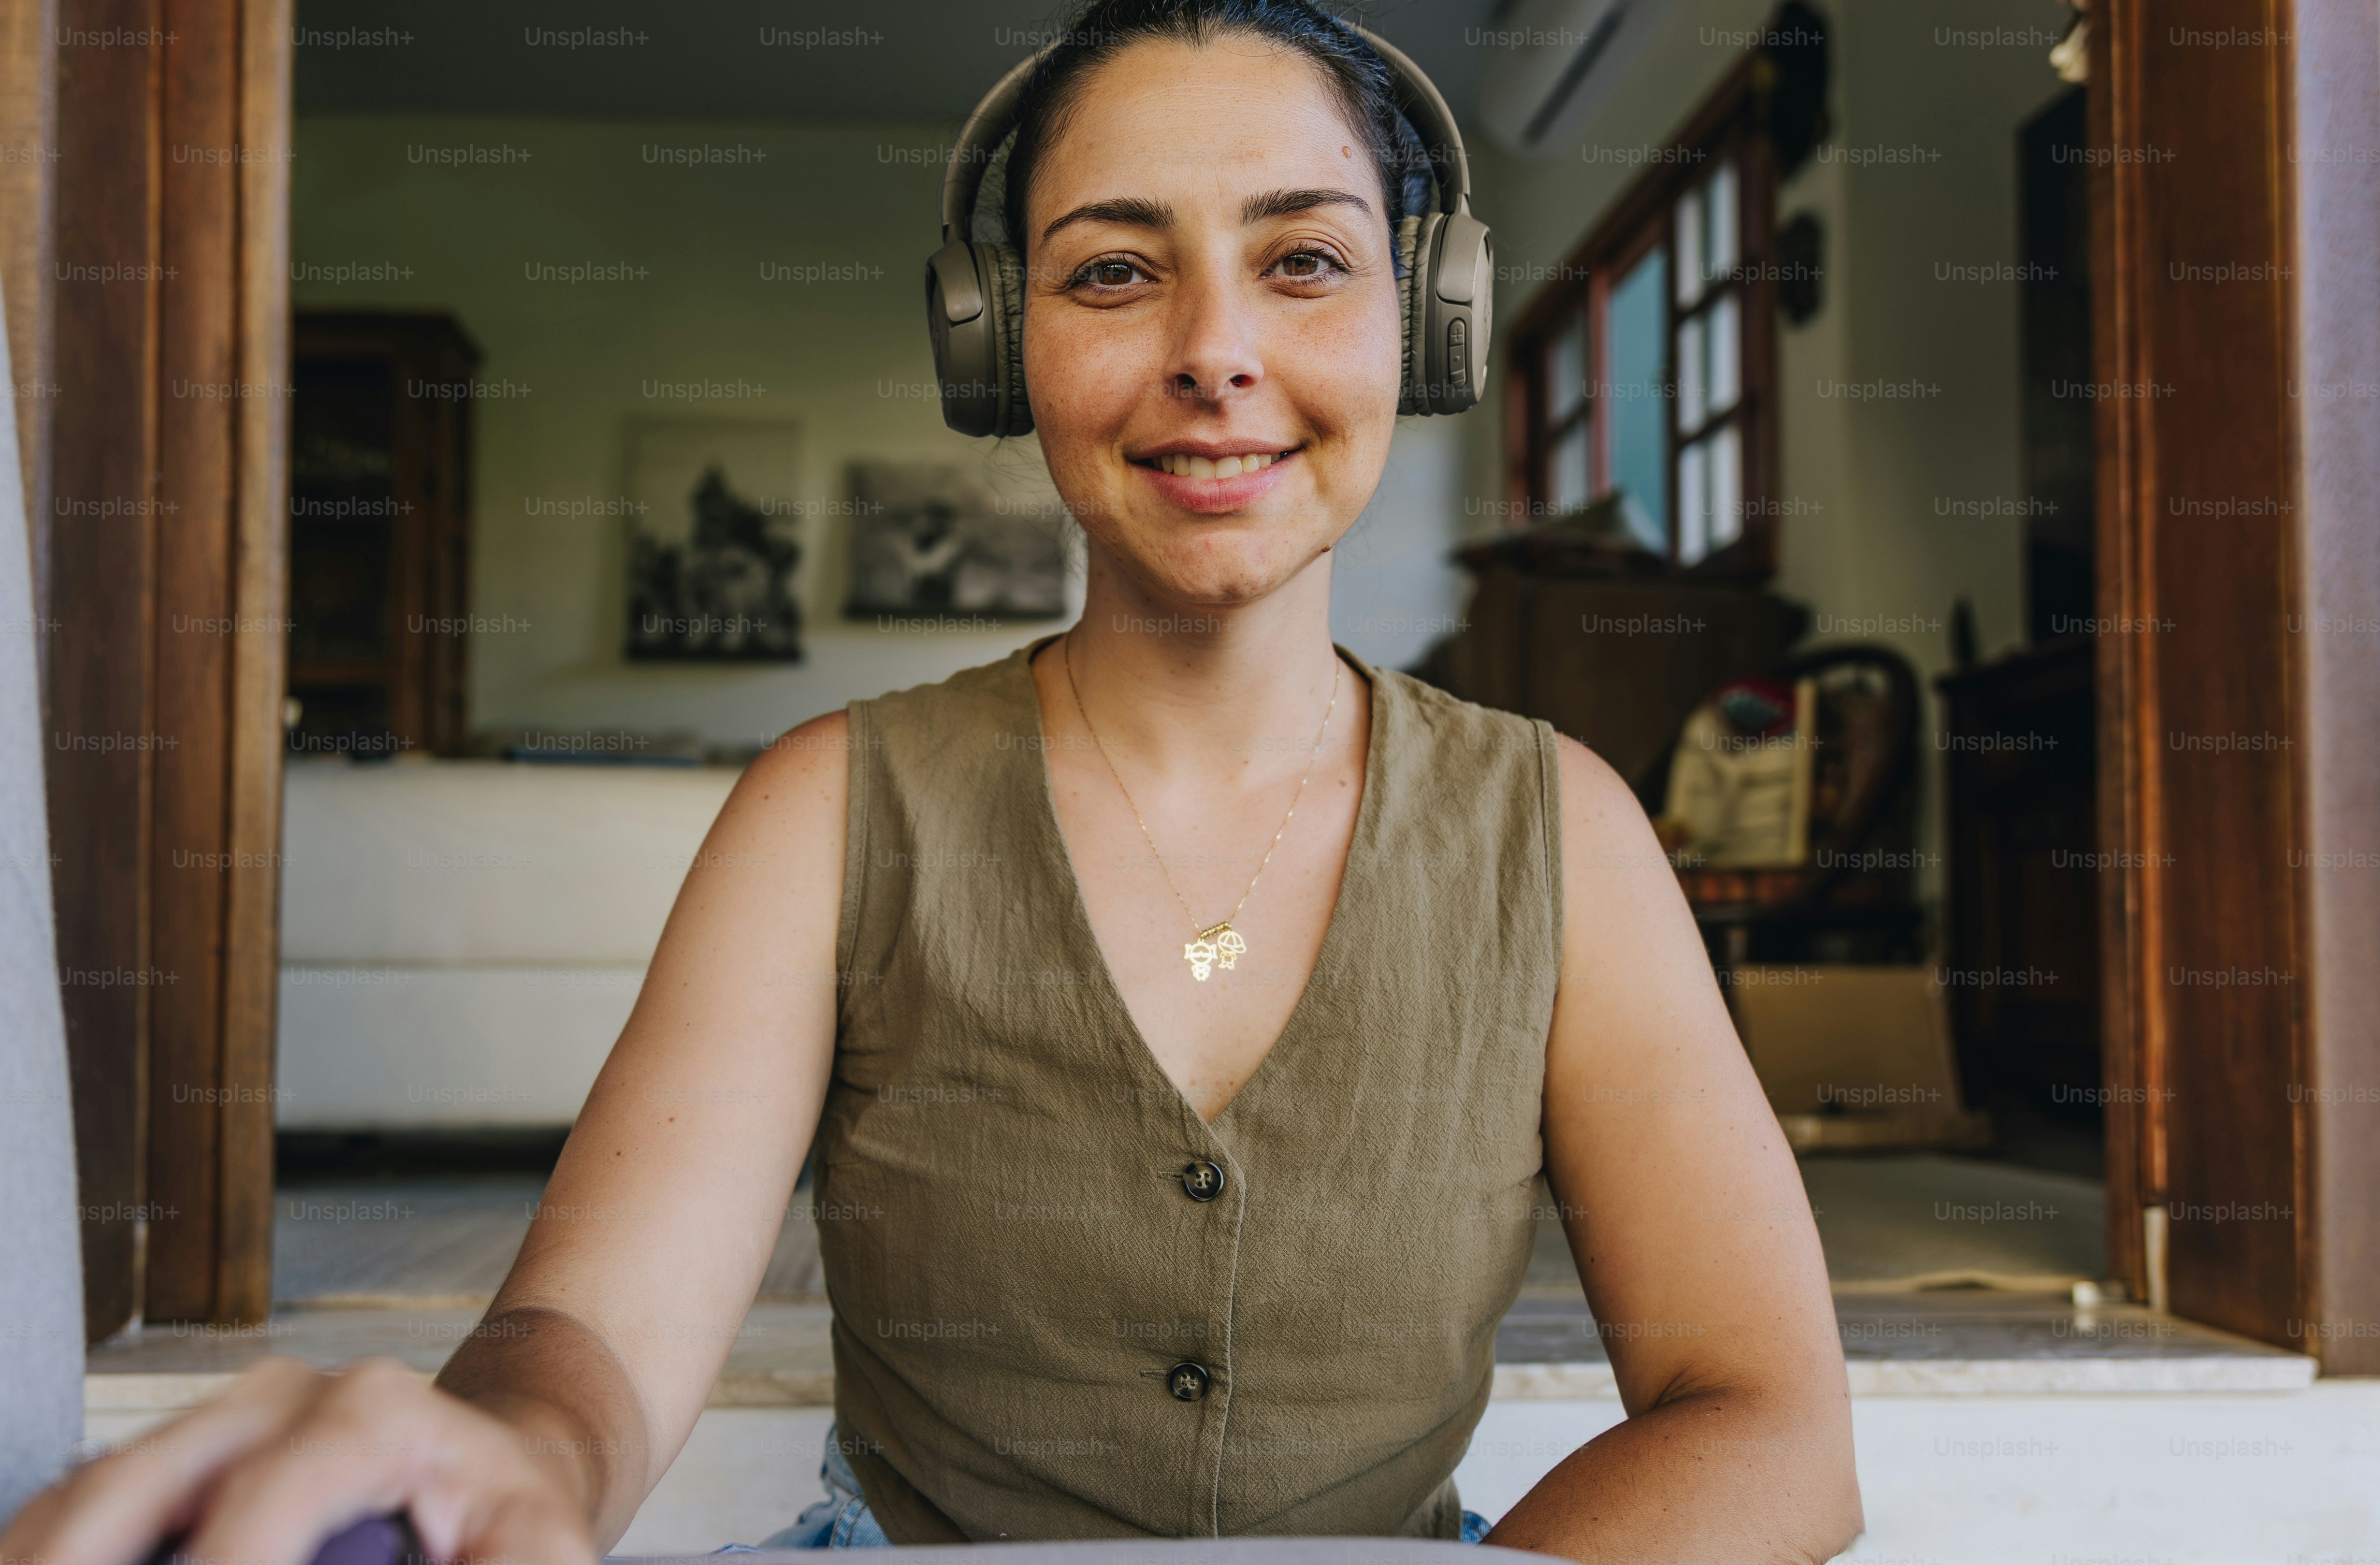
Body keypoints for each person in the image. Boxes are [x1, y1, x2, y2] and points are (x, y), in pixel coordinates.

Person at [1, 2, 1861, 1560]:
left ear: (1424, 319)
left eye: (1303, 260)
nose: (1214, 353)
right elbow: (590, 1334)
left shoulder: (1559, 827)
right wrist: (505, 1460)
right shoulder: (827, 808)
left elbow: (1768, 1424)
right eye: (1113, 272)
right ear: (995, 343)